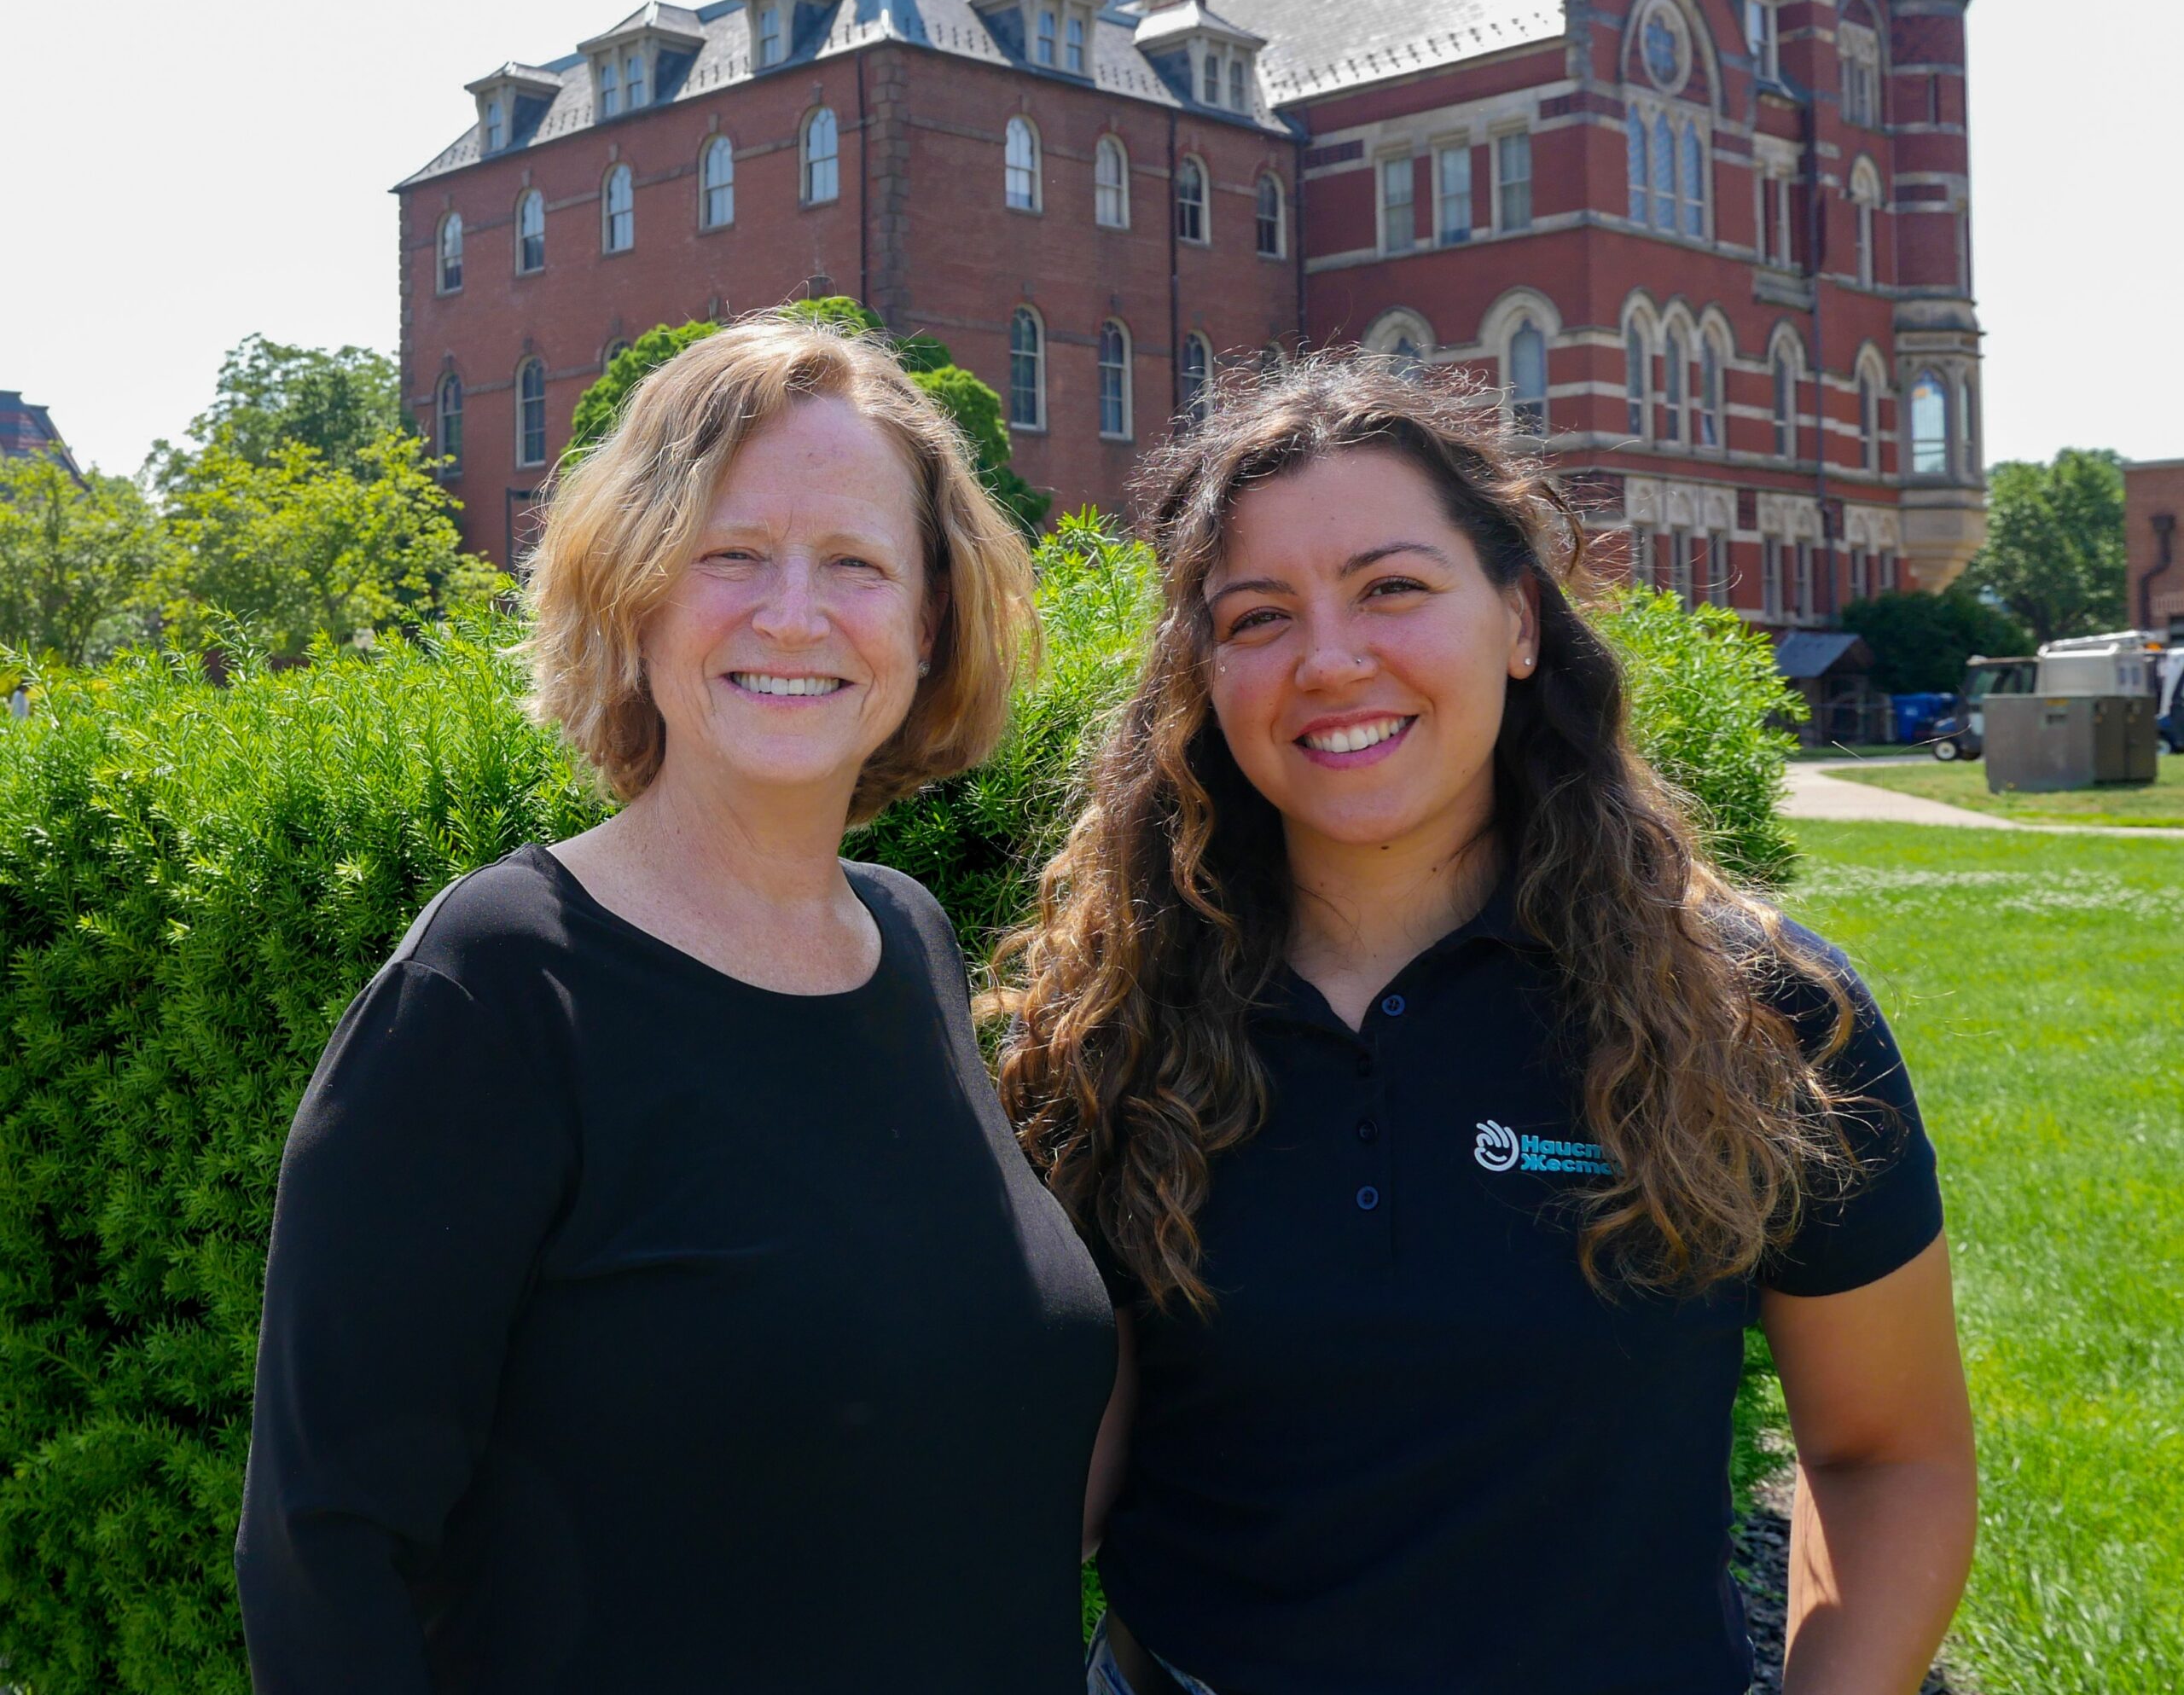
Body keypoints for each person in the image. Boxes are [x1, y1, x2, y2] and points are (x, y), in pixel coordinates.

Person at [997, 355, 1976, 1695]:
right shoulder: (1110, 1022)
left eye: (1393, 587)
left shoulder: (1756, 1010)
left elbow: (1889, 1453)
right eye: (1258, 617)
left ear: (1520, 620)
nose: (1331, 661)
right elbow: (1059, 1478)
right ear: (1204, 676)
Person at [236, 316, 1115, 1695]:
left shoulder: (915, 945)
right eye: (732, 554)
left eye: (856, 564)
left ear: (929, 619)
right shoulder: (500, 986)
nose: (793, 613)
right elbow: (323, 1550)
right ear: (636, 592)